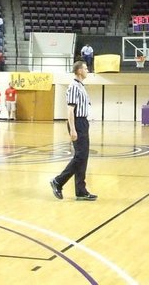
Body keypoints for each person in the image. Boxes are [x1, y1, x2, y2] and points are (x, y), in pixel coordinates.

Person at [50, 61, 97, 201]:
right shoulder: (73, 87)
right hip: (77, 122)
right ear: (79, 71)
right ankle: (58, 181)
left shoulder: (81, 87)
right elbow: (70, 110)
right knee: (80, 157)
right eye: (85, 68)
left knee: (84, 157)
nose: (88, 70)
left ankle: (80, 190)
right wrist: (73, 129)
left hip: (83, 122)